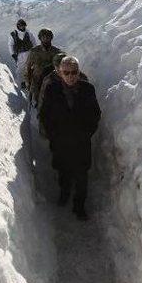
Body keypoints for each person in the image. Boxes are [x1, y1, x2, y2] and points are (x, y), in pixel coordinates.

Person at [39, 56, 101, 220]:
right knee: (63, 170)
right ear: (60, 73)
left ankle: (79, 206)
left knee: (82, 174)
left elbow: (95, 114)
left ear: (78, 72)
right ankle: (64, 192)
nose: (70, 76)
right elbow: (45, 115)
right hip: (60, 141)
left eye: (74, 72)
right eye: (66, 72)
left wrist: (86, 133)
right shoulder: (52, 89)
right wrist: (53, 135)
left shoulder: (88, 89)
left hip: (81, 142)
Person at [24, 28, 62, 107]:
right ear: (40, 38)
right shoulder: (34, 51)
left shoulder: (57, 52)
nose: (45, 39)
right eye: (43, 37)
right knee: (37, 105)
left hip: (52, 83)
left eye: (48, 37)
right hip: (36, 83)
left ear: (51, 37)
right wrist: (28, 82)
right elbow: (27, 68)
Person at [8, 19, 36, 88]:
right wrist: (13, 54)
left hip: (29, 53)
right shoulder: (13, 34)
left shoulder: (29, 33)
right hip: (20, 55)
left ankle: (30, 83)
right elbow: (10, 45)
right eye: (20, 26)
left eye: (23, 26)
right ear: (18, 26)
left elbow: (34, 43)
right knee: (20, 69)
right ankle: (20, 84)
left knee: (30, 68)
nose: (22, 27)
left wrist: (34, 52)